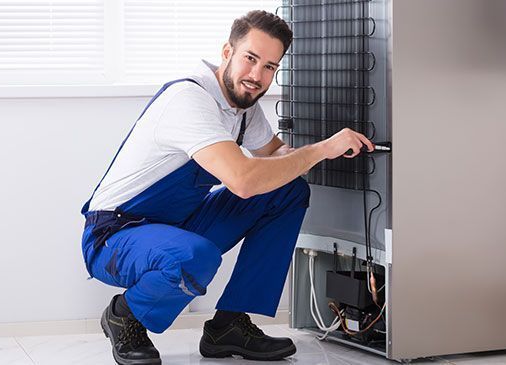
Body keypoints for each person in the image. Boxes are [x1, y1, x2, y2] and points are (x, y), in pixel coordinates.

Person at [80, 10, 374, 365]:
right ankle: (125, 315)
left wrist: (323, 150)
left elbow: (276, 154)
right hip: (116, 234)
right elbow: (245, 181)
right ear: (226, 53)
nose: (257, 76)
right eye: (251, 59)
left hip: (177, 224)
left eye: (269, 67)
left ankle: (229, 325)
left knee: (287, 192)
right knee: (195, 254)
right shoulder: (190, 100)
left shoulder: (241, 108)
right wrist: (321, 149)